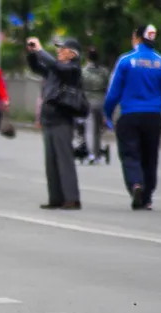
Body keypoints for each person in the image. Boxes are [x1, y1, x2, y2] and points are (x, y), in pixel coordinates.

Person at [104, 24, 161, 210]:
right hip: (153, 117)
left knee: (130, 154)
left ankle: (136, 184)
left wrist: (107, 112)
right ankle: (147, 197)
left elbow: (114, 92)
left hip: (129, 116)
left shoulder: (126, 61)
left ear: (137, 38)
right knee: (150, 157)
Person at [27, 37, 83, 210]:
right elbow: (37, 67)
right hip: (49, 119)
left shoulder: (72, 69)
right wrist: (31, 54)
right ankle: (56, 198)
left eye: (62, 48)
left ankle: (72, 198)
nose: (59, 51)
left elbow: (56, 66)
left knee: (64, 159)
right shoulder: (55, 70)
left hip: (62, 119)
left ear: (72, 54)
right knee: (51, 161)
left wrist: (40, 50)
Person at [80, 47, 110, 163]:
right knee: (98, 130)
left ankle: (91, 154)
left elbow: (79, 86)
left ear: (88, 58)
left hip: (88, 102)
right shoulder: (104, 72)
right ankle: (97, 153)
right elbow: (108, 86)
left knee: (89, 128)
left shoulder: (83, 71)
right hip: (101, 101)